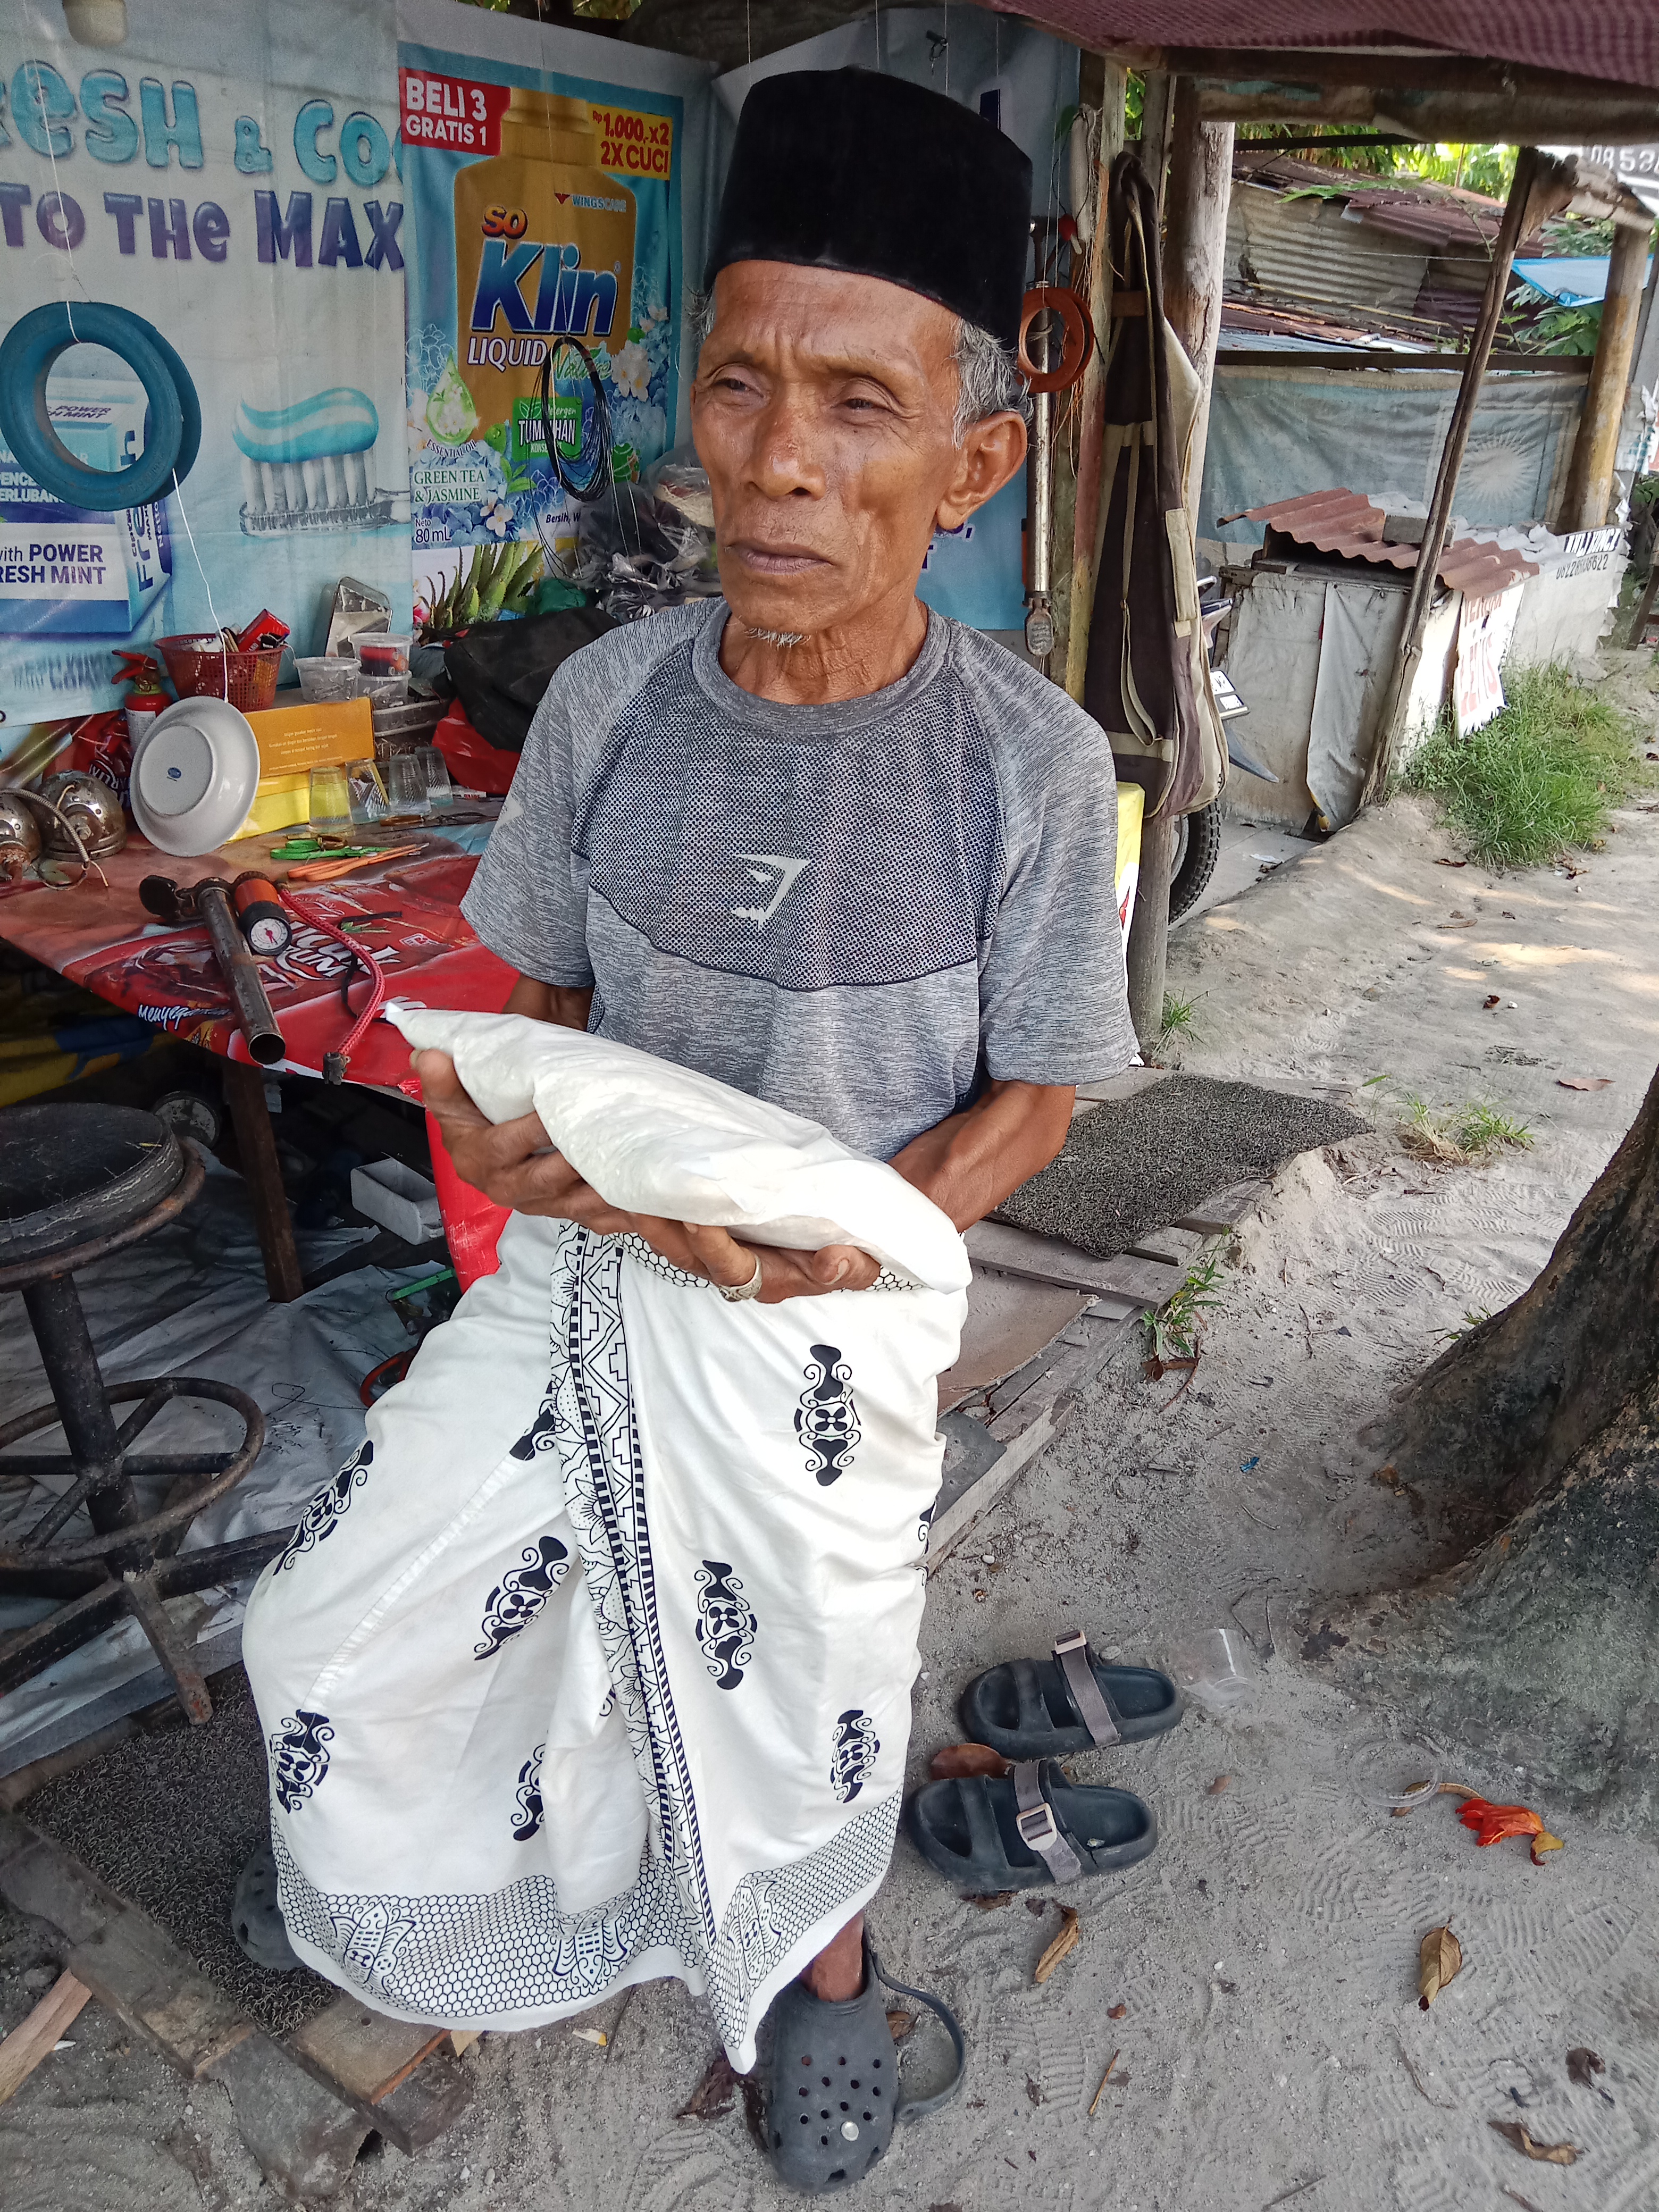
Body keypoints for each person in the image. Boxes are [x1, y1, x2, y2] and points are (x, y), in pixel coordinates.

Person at [240, 66, 1136, 2191]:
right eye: (740, 385)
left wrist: (848, 1252)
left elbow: (1037, 1096)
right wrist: (505, 1142)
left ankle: (822, 1973)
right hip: (582, 1272)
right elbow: (541, 1030)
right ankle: (475, 1890)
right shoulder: (609, 703)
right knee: (329, 1625)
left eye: (856, 403)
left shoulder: (1027, 761)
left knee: (809, 1683)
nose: (776, 462)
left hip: (825, 1332)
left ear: (974, 462)